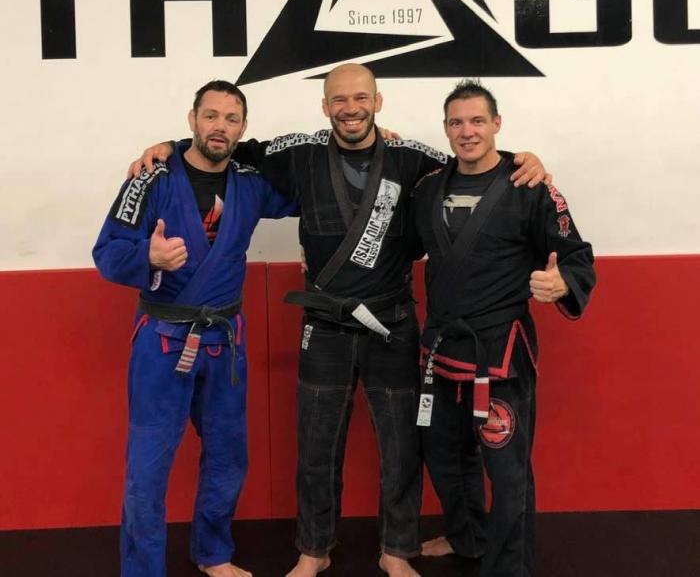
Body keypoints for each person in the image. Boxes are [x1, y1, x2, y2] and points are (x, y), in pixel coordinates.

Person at [130, 64, 547, 577]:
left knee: (402, 445)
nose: (351, 108)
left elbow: (473, 163)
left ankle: (397, 549)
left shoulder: (411, 158)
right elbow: (227, 146)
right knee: (316, 445)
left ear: (378, 101)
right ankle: (314, 548)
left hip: (392, 323)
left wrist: (522, 160)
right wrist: (170, 147)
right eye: (340, 100)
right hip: (324, 323)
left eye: (361, 98)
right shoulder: (300, 153)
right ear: (325, 106)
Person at [93, 80, 297, 577]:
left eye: (231, 119)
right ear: (192, 120)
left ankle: (213, 553)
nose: (220, 127)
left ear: (243, 129)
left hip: (224, 341)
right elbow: (108, 252)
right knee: (148, 466)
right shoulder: (152, 178)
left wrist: (371, 148)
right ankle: (142, 570)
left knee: (228, 455)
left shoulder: (251, 183)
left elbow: (316, 185)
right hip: (162, 341)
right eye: (210, 116)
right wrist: (147, 256)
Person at [411, 80, 595, 577]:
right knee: (445, 456)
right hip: (441, 346)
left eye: (477, 121)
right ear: (445, 129)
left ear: (497, 124)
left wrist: (564, 281)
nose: (467, 131)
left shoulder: (529, 186)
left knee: (507, 471)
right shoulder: (428, 188)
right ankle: (468, 536)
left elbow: (575, 254)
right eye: (456, 122)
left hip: (499, 352)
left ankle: (509, 567)